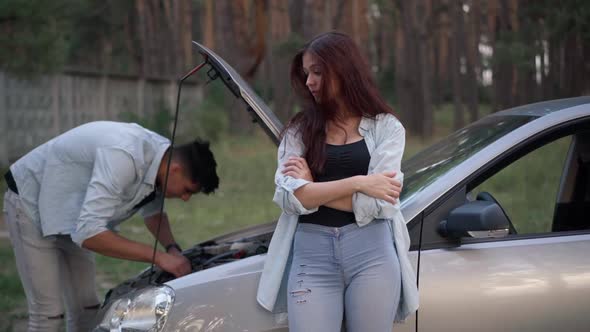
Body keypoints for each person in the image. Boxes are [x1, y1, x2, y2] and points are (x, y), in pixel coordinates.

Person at [257, 32, 419, 331]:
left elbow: (377, 203)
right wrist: (358, 183)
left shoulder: (387, 128)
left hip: (372, 253)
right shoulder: (299, 130)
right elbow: (289, 198)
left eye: (317, 72)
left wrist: (312, 190)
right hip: (311, 256)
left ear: (344, 70)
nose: (309, 82)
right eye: (306, 74)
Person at [2, 121, 219, 331]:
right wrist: (160, 258)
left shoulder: (161, 159)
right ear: (175, 170)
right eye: (187, 190)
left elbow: (153, 212)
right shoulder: (125, 156)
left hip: (69, 213)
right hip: (31, 202)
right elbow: (90, 234)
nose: (185, 198)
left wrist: (171, 248)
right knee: (49, 314)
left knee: (87, 309)